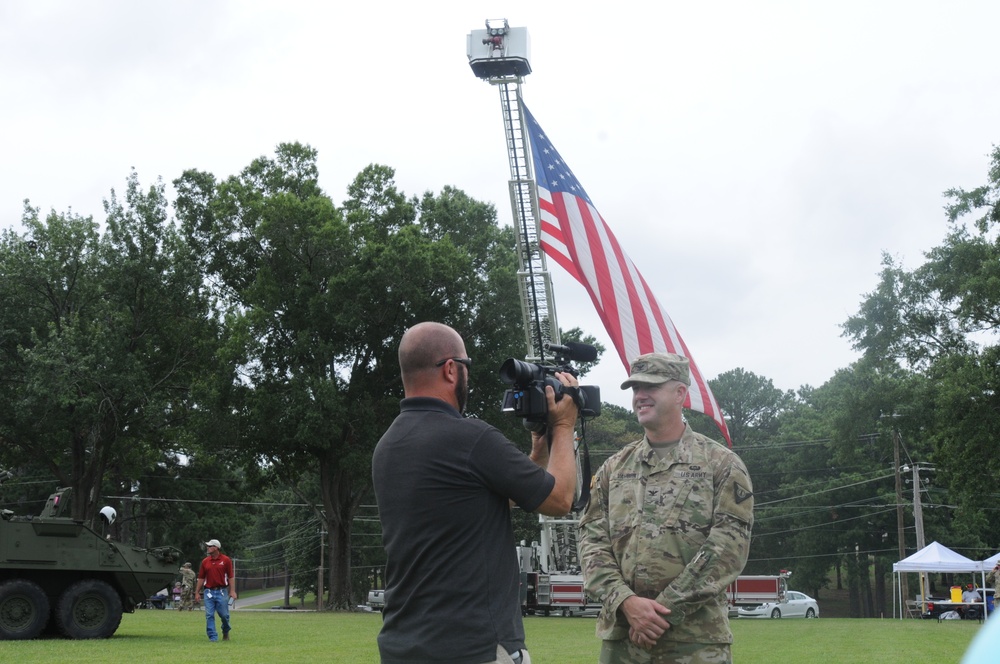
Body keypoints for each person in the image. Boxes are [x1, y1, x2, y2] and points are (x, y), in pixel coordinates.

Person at [372, 321, 581, 664]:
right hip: (474, 647)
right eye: (466, 365)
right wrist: (563, 425)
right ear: (451, 369)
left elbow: (479, 498)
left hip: (403, 646)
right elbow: (560, 500)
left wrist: (539, 453)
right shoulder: (471, 437)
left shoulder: (389, 445)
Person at [579, 352, 754, 664]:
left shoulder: (721, 464)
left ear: (680, 393)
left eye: (651, 386)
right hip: (623, 639)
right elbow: (592, 543)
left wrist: (663, 611)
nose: (640, 396)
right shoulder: (613, 469)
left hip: (695, 643)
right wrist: (627, 602)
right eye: (635, 388)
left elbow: (728, 548)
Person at [194, 539, 237, 642]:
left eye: (210, 546)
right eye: (207, 546)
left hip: (221, 591)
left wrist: (232, 591)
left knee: (224, 615)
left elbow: (230, 576)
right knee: (209, 615)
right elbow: (201, 578)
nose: (207, 548)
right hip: (208, 592)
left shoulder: (226, 560)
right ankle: (213, 637)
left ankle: (225, 631)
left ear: (216, 547)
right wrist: (197, 592)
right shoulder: (205, 562)